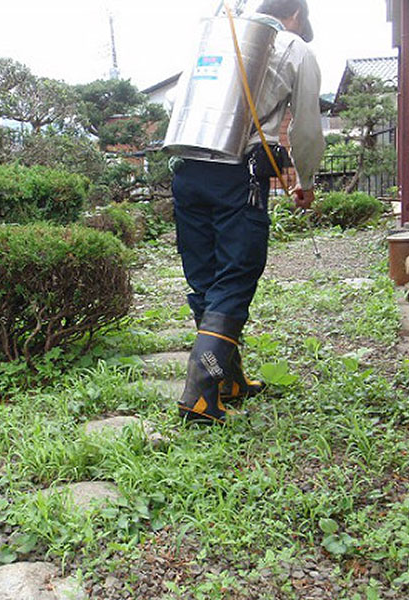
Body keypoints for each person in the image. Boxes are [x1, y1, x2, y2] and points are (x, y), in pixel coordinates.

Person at [172, 0, 325, 424]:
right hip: (238, 175)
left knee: (206, 278)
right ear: (295, 15)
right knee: (235, 278)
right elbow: (307, 127)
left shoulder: (218, 39)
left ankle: (228, 380)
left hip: (186, 170)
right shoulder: (293, 46)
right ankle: (200, 397)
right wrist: (306, 180)